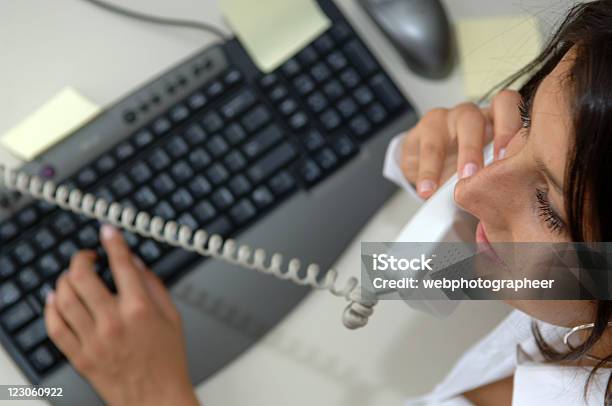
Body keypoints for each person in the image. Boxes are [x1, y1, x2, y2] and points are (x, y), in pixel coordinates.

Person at [43, 1, 612, 404]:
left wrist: (153, 395)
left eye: (552, 209)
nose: (469, 189)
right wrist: (442, 206)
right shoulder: (583, 299)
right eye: (529, 115)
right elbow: (541, 278)